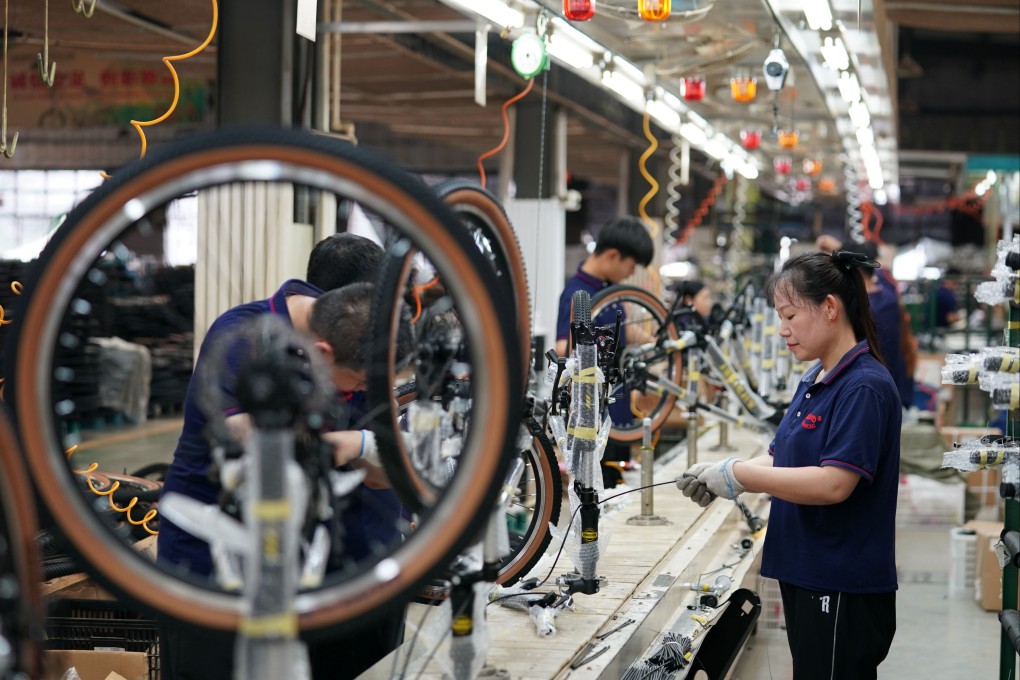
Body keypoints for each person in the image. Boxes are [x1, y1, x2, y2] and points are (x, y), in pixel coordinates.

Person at [159, 236, 404, 680]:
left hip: (347, 567)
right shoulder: (245, 336)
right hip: (219, 565)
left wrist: (364, 446)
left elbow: (390, 467)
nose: (351, 393)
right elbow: (240, 436)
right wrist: (347, 443)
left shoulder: (364, 344)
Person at [677, 250, 901, 679]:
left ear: (830, 308)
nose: (782, 331)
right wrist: (730, 470)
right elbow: (783, 454)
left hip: (840, 583)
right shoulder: (817, 377)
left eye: (790, 316)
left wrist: (741, 475)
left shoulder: (863, 387)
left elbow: (834, 484)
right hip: (808, 570)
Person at [554, 216, 654, 486]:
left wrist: (658, 346)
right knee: (598, 486)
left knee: (615, 482)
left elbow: (627, 330)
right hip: (593, 414)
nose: (631, 274)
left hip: (617, 412)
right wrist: (596, 351)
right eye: (630, 266)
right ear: (613, 255)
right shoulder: (577, 293)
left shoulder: (609, 290)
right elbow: (563, 346)